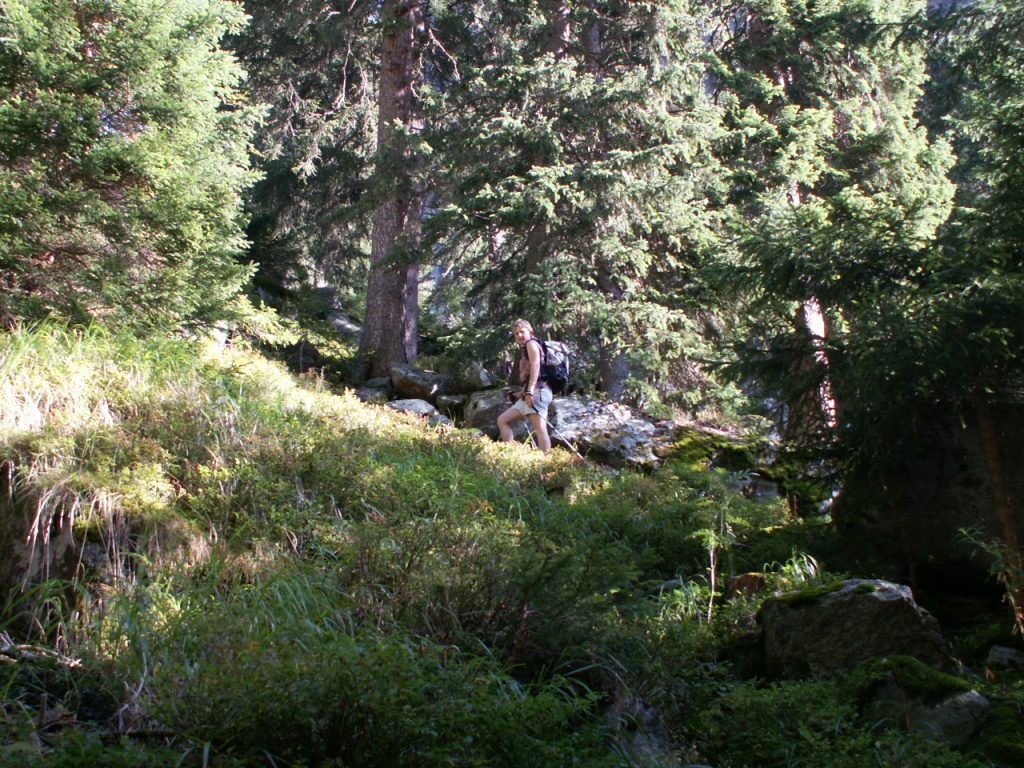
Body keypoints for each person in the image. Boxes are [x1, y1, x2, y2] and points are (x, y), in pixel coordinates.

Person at [497, 319, 552, 453]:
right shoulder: (528, 346)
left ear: (530, 331)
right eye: (516, 333)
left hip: (538, 392)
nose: (519, 335)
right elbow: (529, 375)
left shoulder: (531, 344)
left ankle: (548, 461)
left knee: (540, 428)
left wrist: (529, 391)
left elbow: (536, 366)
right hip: (531, 392)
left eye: (522, 332)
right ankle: (511, 455)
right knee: (502, 420)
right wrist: (519, 394)